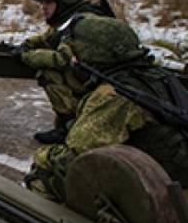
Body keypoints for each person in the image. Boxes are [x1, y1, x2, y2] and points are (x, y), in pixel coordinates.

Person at [24, 14, 188, 202]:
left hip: (167, 198)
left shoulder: (114, 96)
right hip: (171, 176)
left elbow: (73, 160)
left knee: (42, 177)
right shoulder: (158, 77)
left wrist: (43, 155)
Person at [18, 0, 109, 144]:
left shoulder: (81, 23)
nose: (43, 7)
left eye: (49, 3)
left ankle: (69, 126)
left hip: (100, 85)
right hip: (93, 80)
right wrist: (26, 45)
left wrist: (27, 56)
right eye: (42, 3)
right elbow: (48, 37)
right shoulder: (69, 18)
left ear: (62, 3)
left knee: (48, 73)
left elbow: (61, 59)